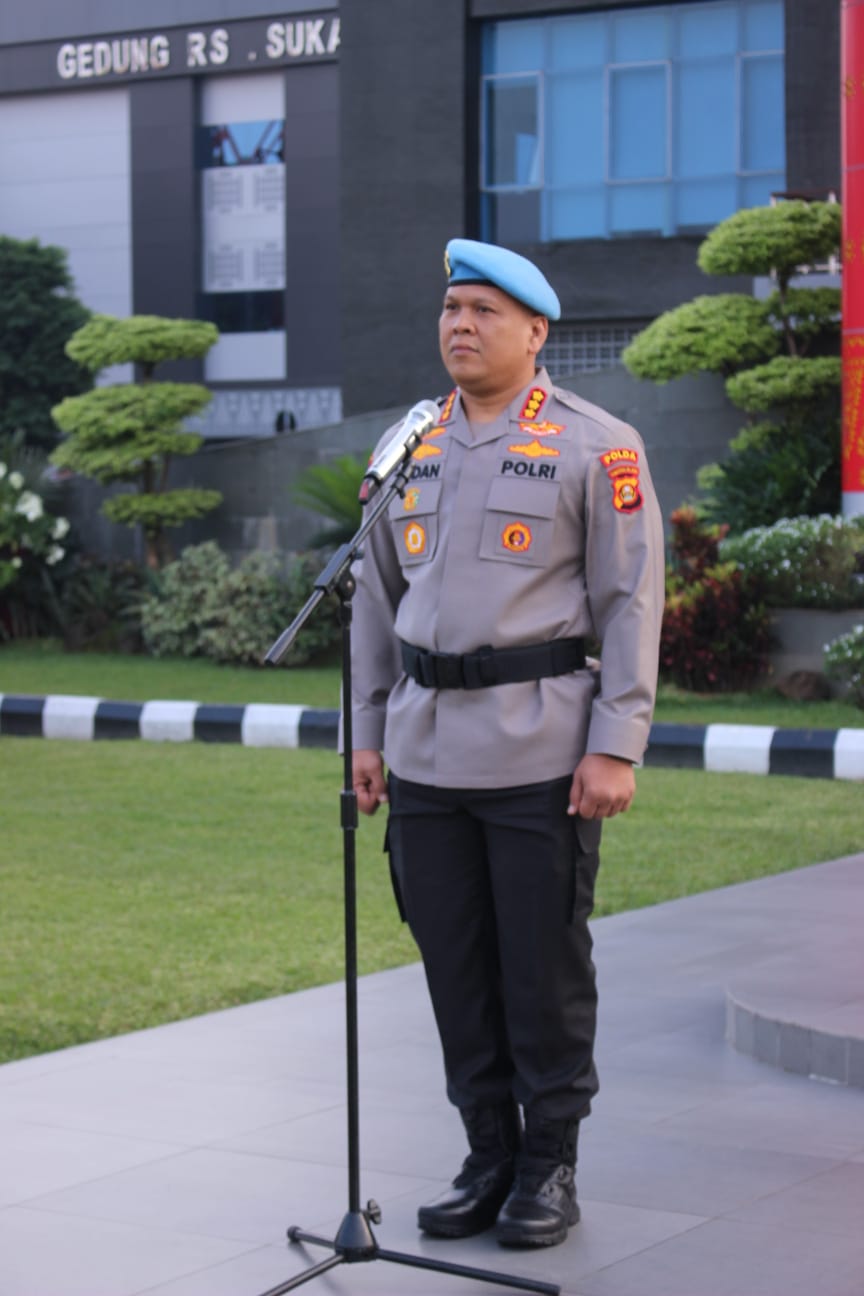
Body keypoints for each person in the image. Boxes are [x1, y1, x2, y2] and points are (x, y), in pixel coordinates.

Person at [350, 238, 665, 1249]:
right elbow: (373, 601)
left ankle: (548, 1166)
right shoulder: (407, 444)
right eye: (452, 308)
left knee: (542, 970)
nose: (461, 325)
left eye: (485, 311)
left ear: (536, 333)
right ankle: (487, 1154)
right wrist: (366, 732)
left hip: (541, 753)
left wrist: (616, 743)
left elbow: (631, 601)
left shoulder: (597, 446)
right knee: (455, 965)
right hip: (424, 754)